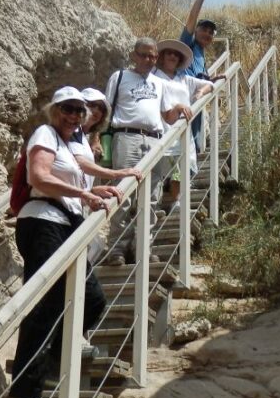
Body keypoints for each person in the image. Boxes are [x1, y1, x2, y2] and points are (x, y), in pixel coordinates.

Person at [9, 86, 121, 398]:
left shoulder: (72, 143)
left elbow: (79, 172)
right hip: (44, 222)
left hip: (65, 224)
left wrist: (100, 186)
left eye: (79, 111)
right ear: (54, 110)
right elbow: (39, 176)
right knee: (44, 308)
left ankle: (53, 363)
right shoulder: (45, 133)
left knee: (92, 300)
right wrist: (83, 193)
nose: (74, 116)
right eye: (68, 109)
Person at [103, 38, 188, 266]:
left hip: (153, 141)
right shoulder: (120, 77)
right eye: (144, 55)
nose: (149, 60)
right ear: (134, 55)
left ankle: (142, 247)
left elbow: (167, 116)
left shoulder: (159, 83)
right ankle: (117, 249)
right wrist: (96, 139)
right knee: (124, 195)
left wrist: (179, 108)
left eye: (152, 56)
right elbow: (106, 110)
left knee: (151, 197)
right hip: (126, 136)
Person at [70, 87, 143, 263]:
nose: (96, 111)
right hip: (65, 206)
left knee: (93, 247)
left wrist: (93, 190)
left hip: (77, 204)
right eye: (92, 105)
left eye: (101, 109)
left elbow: (75, 173)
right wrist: (116, 173)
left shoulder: (83, 137)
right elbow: (78, 163)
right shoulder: (70, 132)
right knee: (85, 249)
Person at [153, 39, 213, 205]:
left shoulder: (184, 79)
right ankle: (171, 201)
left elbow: (209, 84)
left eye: (175, 55)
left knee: (181, 166)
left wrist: (200, 92)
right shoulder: (154, 77)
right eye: (169, 53)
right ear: (162, 57)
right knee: (167, 166)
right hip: (163, 127)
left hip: (183, 129)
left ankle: (176, 200)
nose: (172, 56)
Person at [180, 0, 221, 152]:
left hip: (196, 106)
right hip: (184, 100)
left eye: (211, 32)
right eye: (204, 29)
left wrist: (211, 80)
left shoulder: (201, 57)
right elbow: (192, 18)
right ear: (196, 30)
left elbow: (198, 77)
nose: (207, 34)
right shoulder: (187, 45)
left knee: (194, 148)